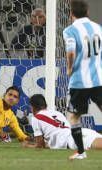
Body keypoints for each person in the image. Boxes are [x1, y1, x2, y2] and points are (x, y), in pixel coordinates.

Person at [62, 0, 102, 159]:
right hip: (98, 79)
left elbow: (71, 52)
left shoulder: (70, 30)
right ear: (87, 13)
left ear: (71, 14)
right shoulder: (98, 28)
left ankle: (80, 152)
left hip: (79, 81)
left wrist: (70, 67)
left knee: (74, 117)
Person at [23, 94, 102, 154]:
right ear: (46, 105)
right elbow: (52, 143)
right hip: (81, 133)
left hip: (73, 140)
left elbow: (40, 146)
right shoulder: (57, 113)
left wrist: (28, 146)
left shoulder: (36, 118)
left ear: (32, 108)